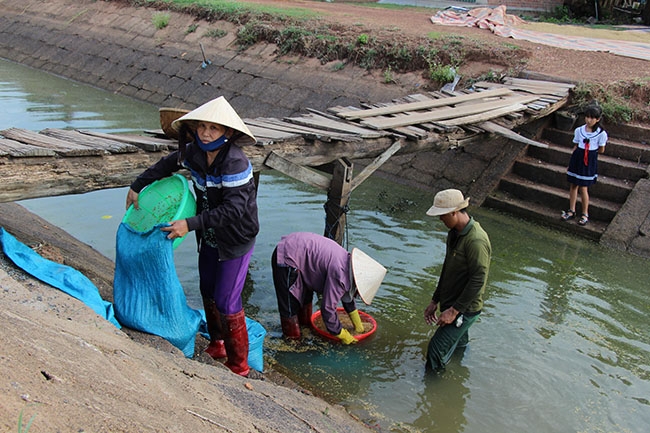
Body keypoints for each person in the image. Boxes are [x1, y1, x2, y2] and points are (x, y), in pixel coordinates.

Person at [126, 96, 259, 377]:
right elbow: (166, 164)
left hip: (235, 239)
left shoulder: (235, 163)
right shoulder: (194, 153)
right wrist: (138, 185)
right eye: (202, 127)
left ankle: (239, 365)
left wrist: (189, 223)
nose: (206, 133)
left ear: (229, 133)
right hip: (208, 234)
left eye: (214, 128)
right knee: (207, 290)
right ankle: (217, 343)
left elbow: (233, 211)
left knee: (227, 300)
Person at [271, 232, 386, 344]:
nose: (358, 295)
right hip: (288, 257)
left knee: (306, 300)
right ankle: (293, 343)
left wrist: (358, 325)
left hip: (301, 254)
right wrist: (341, 333)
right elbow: (327, 309)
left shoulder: (348, 266)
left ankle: (305, 329)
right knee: (290, 307)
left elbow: (348, 298)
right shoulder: (341, 274)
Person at [423, 189, 491, 372]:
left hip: (464, 308)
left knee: (435, 350)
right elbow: (447, 268)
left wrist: (454, 311)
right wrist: (434, 300)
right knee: (459, 344)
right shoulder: (454, 233)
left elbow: (478, 279)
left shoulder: (476, 240)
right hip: (451, 302)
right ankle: (459, 371)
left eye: (442, 215)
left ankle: (434, 393)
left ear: (454, 212)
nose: (440, 219)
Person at [561, 104, 608, 226]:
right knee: (573, 185)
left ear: (597, 119)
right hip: (577, 158)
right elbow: (576, 145)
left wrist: (590, 151)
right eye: (587, 117)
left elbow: (601, 149)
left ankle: (585, 213)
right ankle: (571, 210)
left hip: (589, 160)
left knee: (583, 187)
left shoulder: (601, 133)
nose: (589, 120)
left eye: (592, 118)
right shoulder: (579, 130)